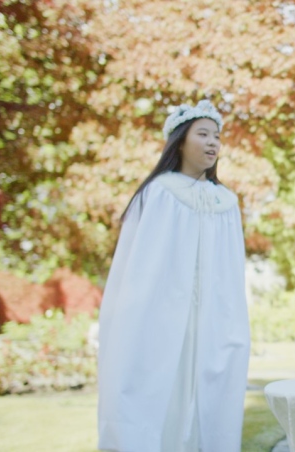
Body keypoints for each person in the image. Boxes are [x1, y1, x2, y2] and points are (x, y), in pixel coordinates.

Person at [98, 100, 250, 452]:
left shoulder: (226, 203)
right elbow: (141, 265)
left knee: (211, 398)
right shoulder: (160, 193)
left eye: (217, 136)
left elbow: (230, 275)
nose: (213, 143)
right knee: (157, 392)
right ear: (180, 141)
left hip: (213, 322)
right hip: (162, 318)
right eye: (203, 134)